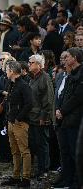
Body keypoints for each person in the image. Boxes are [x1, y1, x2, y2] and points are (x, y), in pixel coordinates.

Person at [1, 61, 33, 187]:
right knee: (14, 151)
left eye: (7, 70)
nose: (6, 72)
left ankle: (25, 178)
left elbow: (29, 103)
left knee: (24, 150)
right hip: (11, 121)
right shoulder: (12, 84)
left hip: (20, 122)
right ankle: (15, 176)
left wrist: (19, 118)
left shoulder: (23, 85)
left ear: (13, 71)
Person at [55, 48, 83, 188]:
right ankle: (67, 178)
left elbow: (78, 97)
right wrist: (59, 110)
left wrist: (63, 110)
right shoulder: (70, 75)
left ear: (75, 58)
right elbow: (64, 94)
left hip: (75, 118)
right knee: (65, 152)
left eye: (68, 57)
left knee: (74, 152)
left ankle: (76, 182)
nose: (65, 60)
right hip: (64, 118)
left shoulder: (81, 74)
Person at [28, 54, 55, 180]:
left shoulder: (45, 78)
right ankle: (39, 168)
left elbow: (48, 99)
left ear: (39, 65)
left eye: (31, 62)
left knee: (42, 144)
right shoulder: (33, 78)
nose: (29, 64)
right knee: (35, 144)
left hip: (40, 117)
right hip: (32, 116)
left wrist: (44, 117)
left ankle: (44, 170)